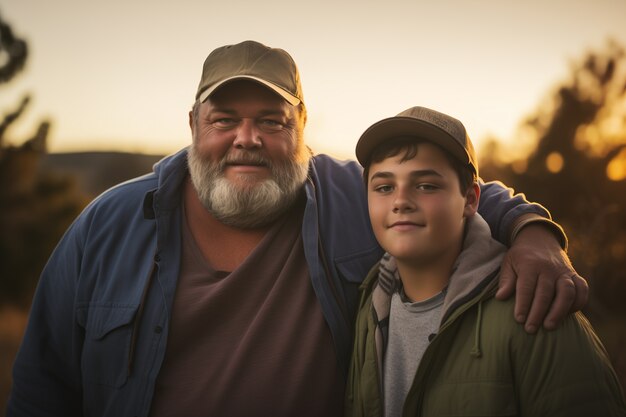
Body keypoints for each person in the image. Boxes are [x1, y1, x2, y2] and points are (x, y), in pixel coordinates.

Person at [7, 40, 588, 417]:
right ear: (192, 125)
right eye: (224, 120)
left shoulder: (352, 196)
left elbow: (458, 193)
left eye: (271, 121)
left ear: (302, 126)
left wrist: (534, 235)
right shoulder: (107, 227)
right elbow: (42, 388)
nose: (247, 138)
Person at [345, 106, 626, 417]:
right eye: (384, 187)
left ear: (470, 200)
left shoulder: (535, 306)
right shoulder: (369, 304)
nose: (400, 201)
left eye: (426, 185)